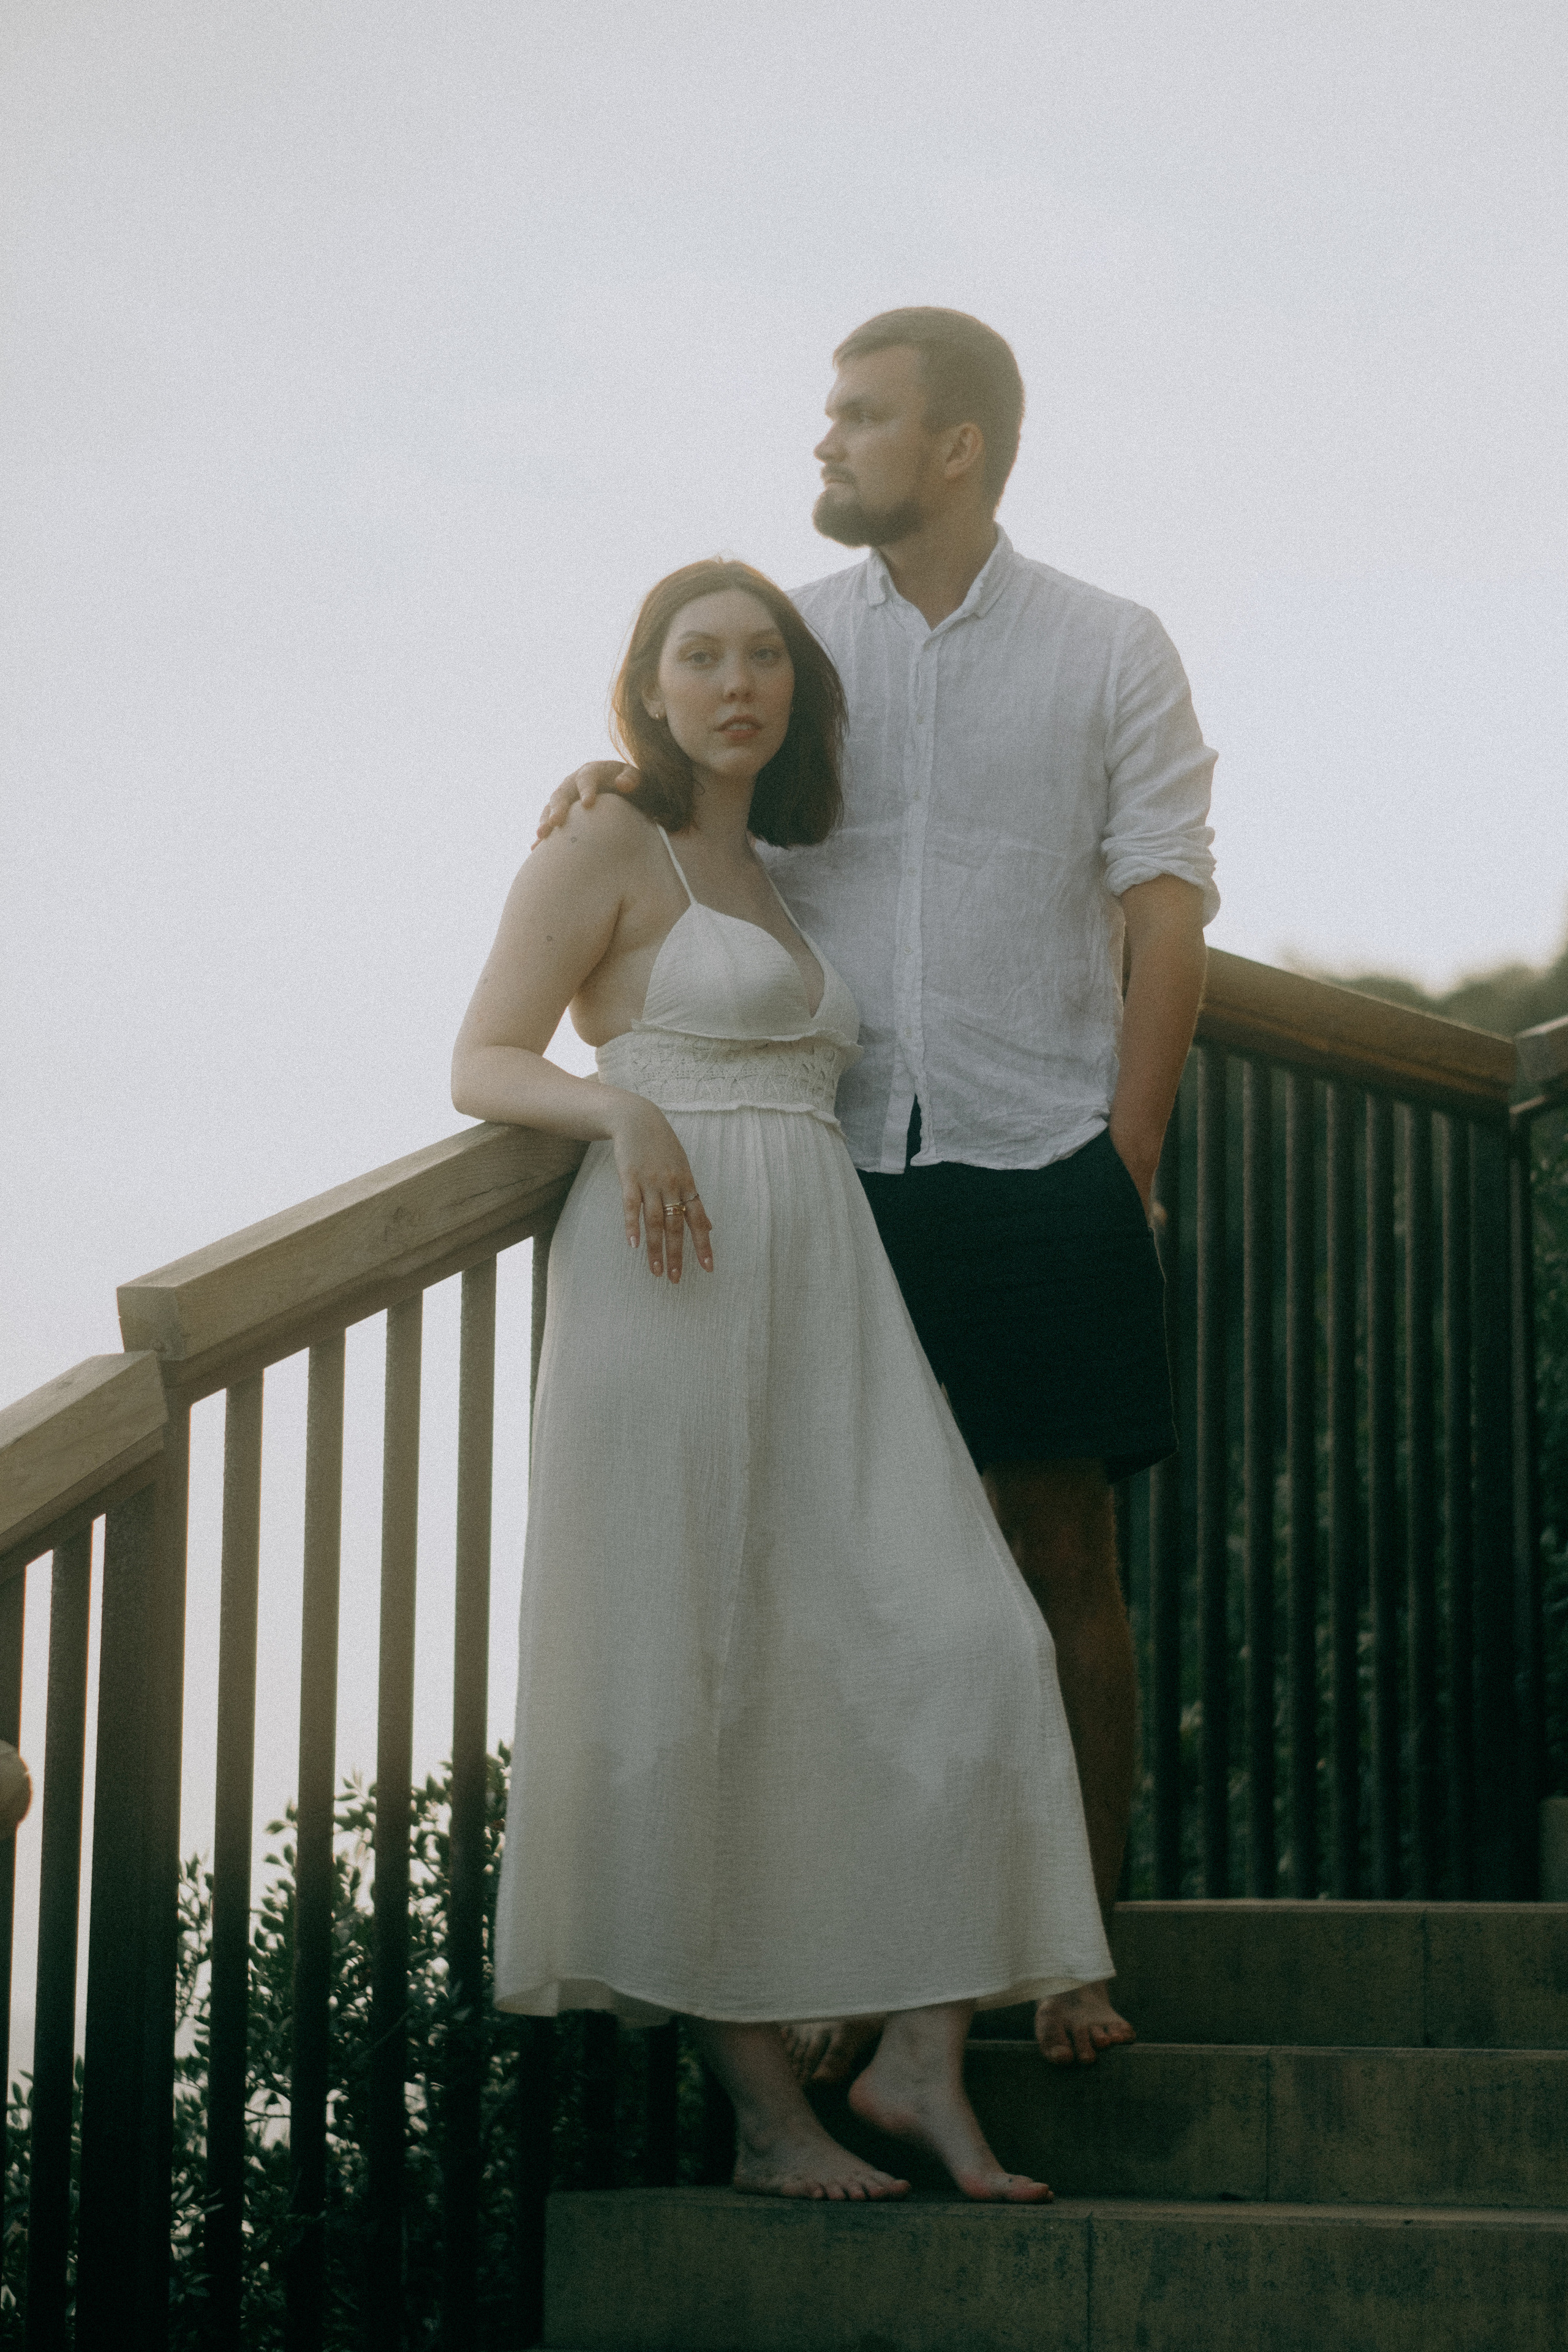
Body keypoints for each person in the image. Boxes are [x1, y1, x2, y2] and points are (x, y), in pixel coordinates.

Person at [537, 308, 1218, 2075]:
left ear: (961, 445)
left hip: (1040, 1153)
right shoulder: (793, 650)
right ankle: (844, 1956)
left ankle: (1071, 1953)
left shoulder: (1109, 646)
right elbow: (689, 801)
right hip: (828, 1183)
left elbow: (1167, 905)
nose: (825, 444)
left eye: (860, 417)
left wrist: (1122, 1158)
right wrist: (611, 777)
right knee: (834, 1576)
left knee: (1060, 1555)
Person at [453, 557, 1110, 2203]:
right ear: (649, 688)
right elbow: (480, 1056)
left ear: (796, 694)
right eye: (701, 657)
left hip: (824, 1291)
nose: (736, 682)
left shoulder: (789, 872)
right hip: (666, 1287)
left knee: (963, 1635)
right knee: (704, 1672)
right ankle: (766, 2123)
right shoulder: (607, 840)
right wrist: (622, 1110)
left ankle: (914, 2064)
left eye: (765, 657)